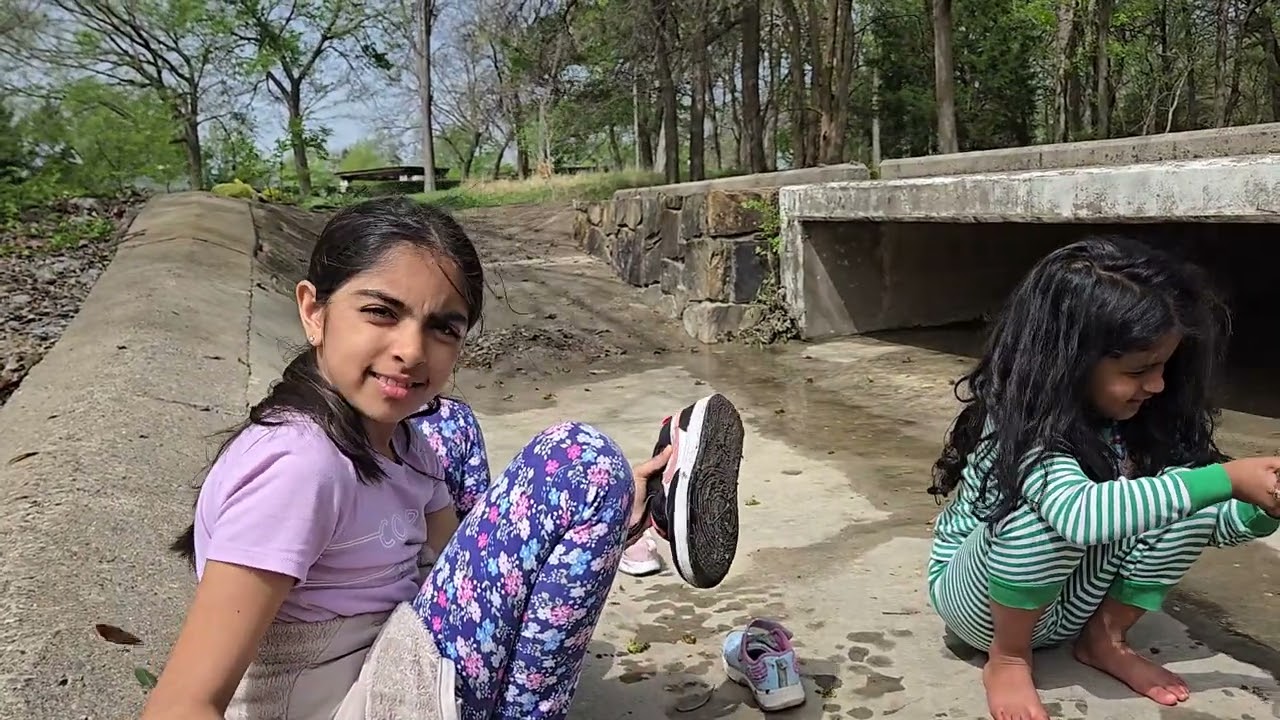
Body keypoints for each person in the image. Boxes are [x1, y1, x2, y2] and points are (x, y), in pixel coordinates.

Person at [141, 196, 746, 720]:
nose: (411, 350)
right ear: (313, 311)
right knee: (578, 461)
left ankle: (625, 513)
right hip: (346, 700)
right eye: (381, 312)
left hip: (389, 654)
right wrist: (588, 487)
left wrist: (592, 521)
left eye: (443, 328)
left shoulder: (411, 443)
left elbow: (465, 566)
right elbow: (178, 704)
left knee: (451, 425)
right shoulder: (299, 467)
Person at [924, 236, 1280, 720]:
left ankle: (1104, 639)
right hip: (981, 603)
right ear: (1068, 362)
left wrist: (1259, 503)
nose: (1157, 384)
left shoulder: (1141, 422)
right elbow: (1079, 518)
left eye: (1165, 366)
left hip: (1071, 602)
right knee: (1048, 518)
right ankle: (1008, 659)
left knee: (1185, 493)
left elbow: (1203, 519)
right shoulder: (1020, 425)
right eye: (1139, 370)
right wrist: (1224, 478)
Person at [412, 396, 668, 578]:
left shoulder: (451, 422)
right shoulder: (452, 420)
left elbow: (469, 529)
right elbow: (471, 526)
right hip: (435, 589)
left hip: (442, 581)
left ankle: (622, 526)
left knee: (578, 451)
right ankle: (621, 528)